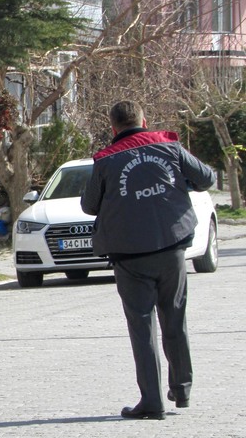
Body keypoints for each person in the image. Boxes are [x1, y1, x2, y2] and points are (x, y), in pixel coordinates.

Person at [81, 100, 216, 420]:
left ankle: (152, 401)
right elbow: (207, 178)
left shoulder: (105, 160)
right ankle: (182, 389)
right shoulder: (169, 147)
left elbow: (89, 205)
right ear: (144, 119)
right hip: (171, 248)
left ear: (113, 127)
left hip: (130, 257)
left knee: (142, 329)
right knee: (175, 320)